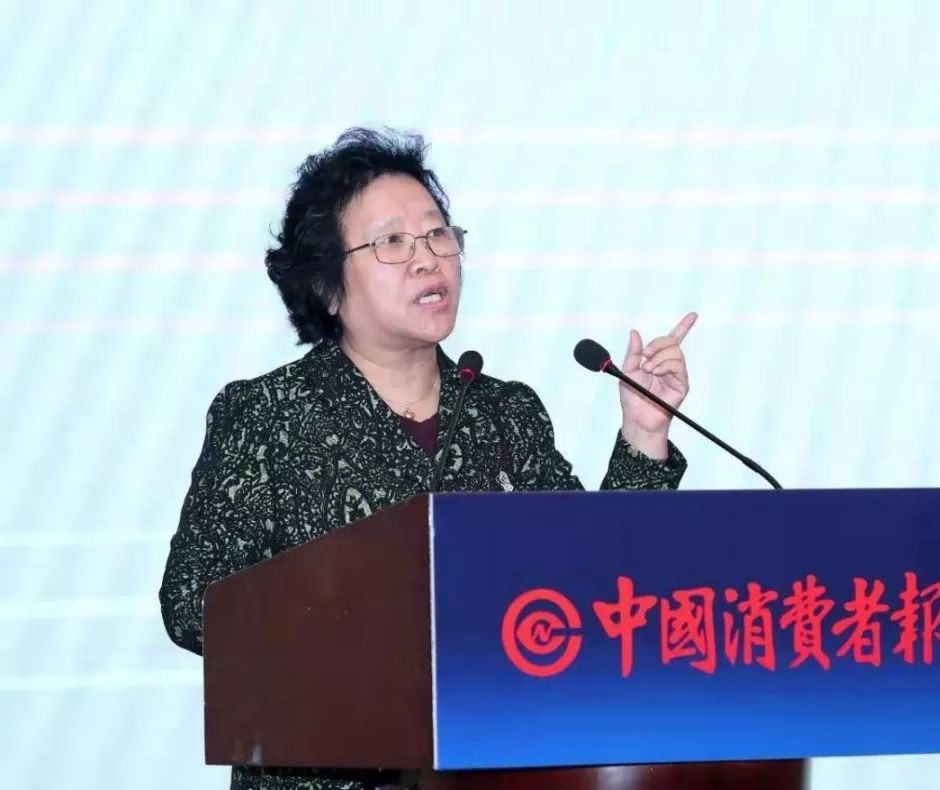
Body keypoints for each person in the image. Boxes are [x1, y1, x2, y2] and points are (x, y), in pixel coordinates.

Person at [159, 127, 697, 790]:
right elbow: (194, 604)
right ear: (327, 285)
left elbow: (600, 585)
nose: (427, 259)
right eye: (391, 242)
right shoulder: (266, 415)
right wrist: (355, 622)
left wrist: (643, 431)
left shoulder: (504, 412)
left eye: (438, 234)